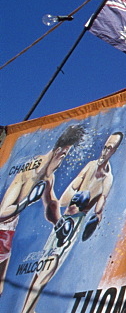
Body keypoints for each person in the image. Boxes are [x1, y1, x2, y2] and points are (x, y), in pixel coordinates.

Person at [0, 131, 122, 313]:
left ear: (115, 152)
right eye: (104, 147)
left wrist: (94, 212)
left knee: (37, 285)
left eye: (110, 149)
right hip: (59, 228)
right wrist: (66, 196)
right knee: (29, 289)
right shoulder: (88, 166)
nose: (104, 151)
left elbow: (100, 206)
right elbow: (63, 200)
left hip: (70, 233)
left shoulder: (107, 179)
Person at [0, 124, 85, 298]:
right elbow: (3, 212)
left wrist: (59, 224)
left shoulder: (48, 177)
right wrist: (26, 201)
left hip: (8, 232)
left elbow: (52, 204)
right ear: (60, 152)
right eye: (64, 156)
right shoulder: (30, 171)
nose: (61, 162)